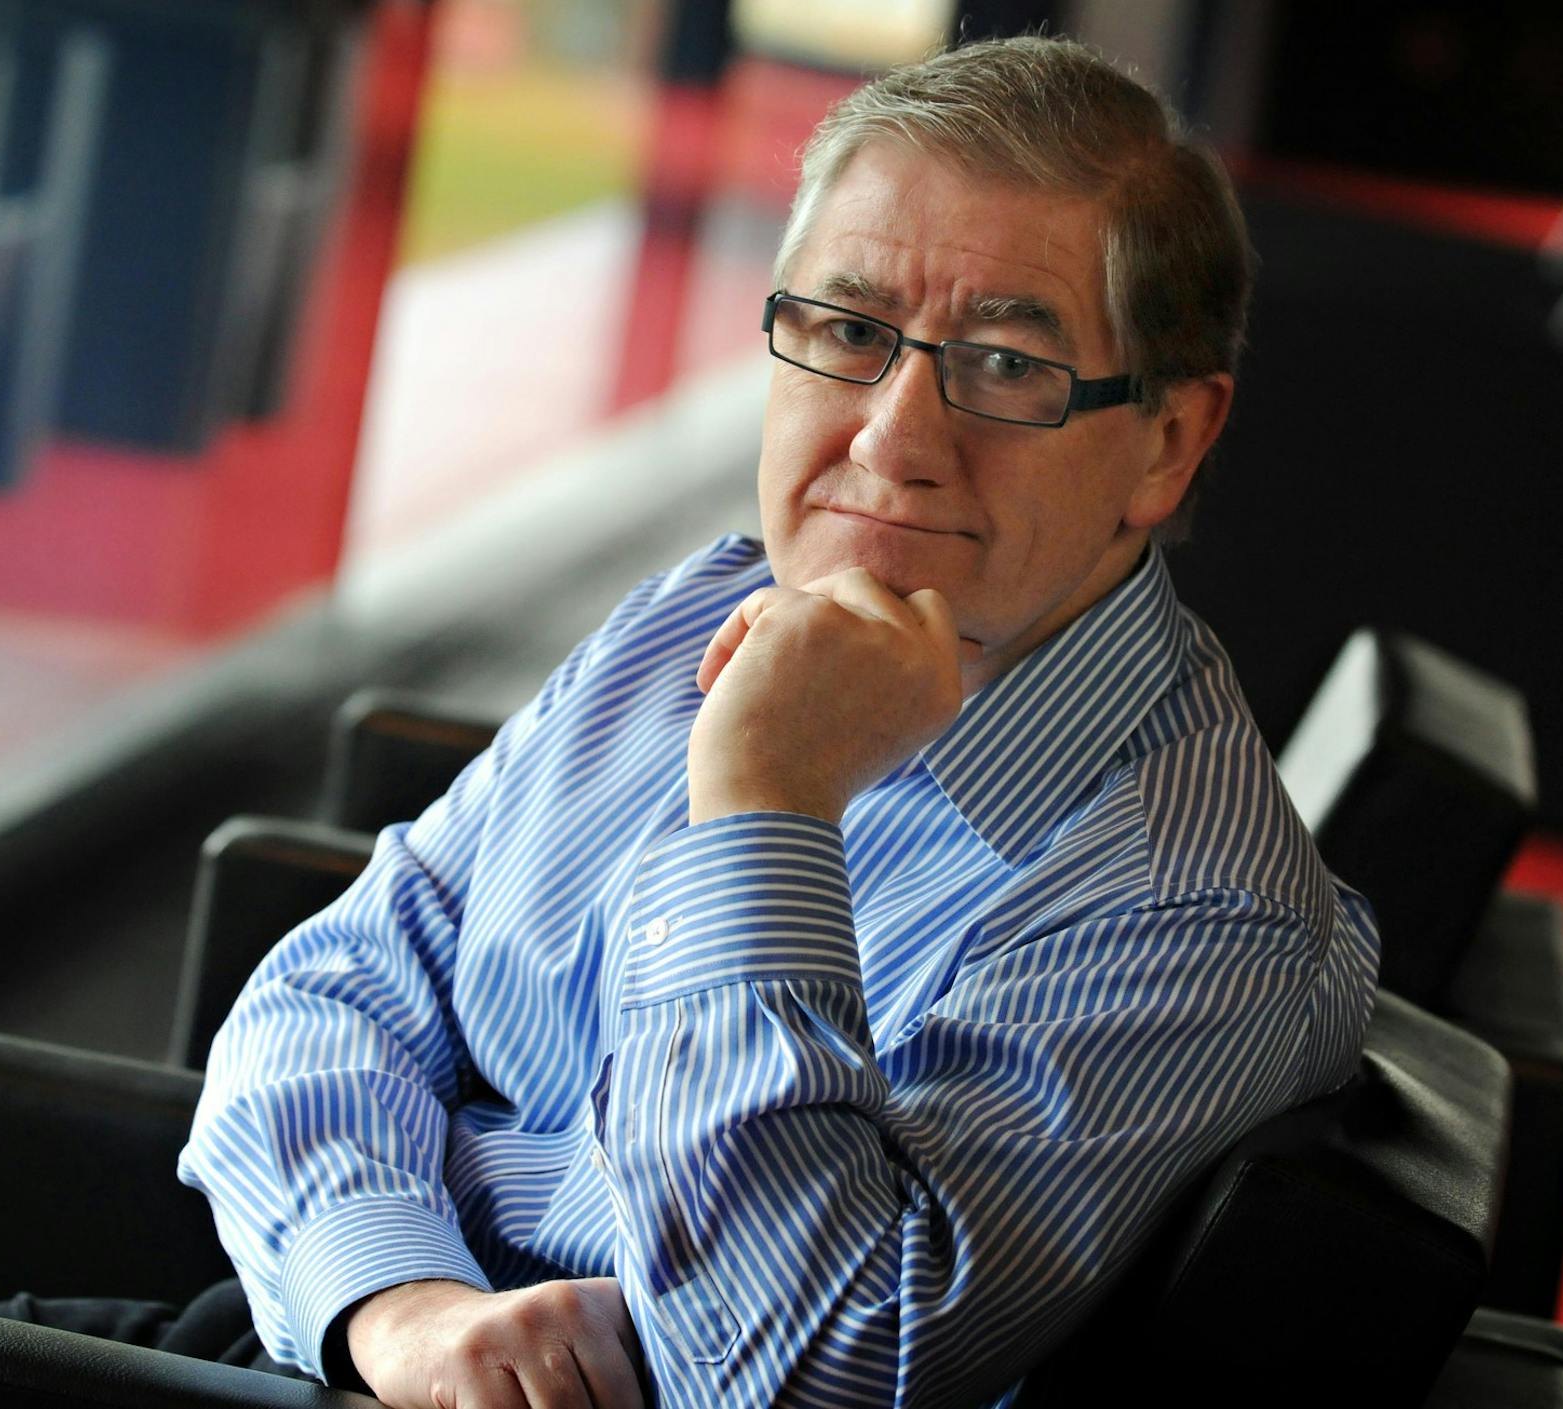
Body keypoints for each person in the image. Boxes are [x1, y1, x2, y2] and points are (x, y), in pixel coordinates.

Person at [176, 33, 1379, 1409]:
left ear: (1167, 442)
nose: (889, 441)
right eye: (850, 334)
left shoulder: (1196, 910)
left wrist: (766, 803)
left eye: (1004, 364)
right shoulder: (704, 607)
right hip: (326, 1337)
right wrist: (404, 1307)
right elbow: (339, 985)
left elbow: (805, 1366)